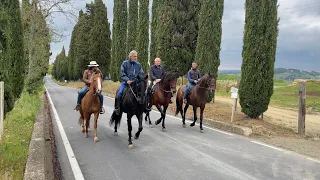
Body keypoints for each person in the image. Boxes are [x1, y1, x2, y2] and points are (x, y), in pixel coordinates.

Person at [114, 50, 144, 115]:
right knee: (119, 93)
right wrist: (127, 80)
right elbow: (122, 73)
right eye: (134, 56)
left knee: (144, 92)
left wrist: (139, 79)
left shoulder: (138, 64)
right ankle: (117, 108)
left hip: (135, 83)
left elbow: (141, 73)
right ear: (130, 56)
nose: (135, 58)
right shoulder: (124, 63)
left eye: (136, 56)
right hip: (126, 83)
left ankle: (144, 107)